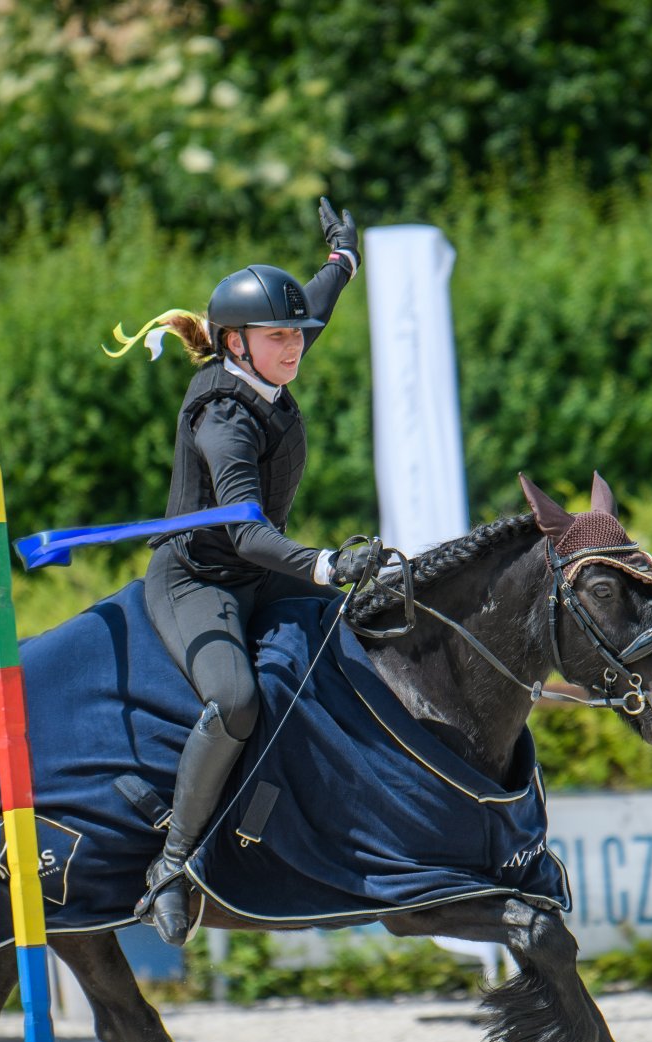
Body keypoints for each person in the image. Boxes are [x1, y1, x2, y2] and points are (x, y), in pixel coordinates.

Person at [104, 197, 381, 945]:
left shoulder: (266, 360)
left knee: (374, 619)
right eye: (279, 336)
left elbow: (319, 299)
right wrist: (324, 564)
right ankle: (171, 864)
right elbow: (247, 533)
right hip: (201, 580)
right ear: (235, 344)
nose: (295, 347)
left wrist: (341, 255)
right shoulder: (223, 420)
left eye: (297, 335)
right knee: (234, 701)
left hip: (259, 568)